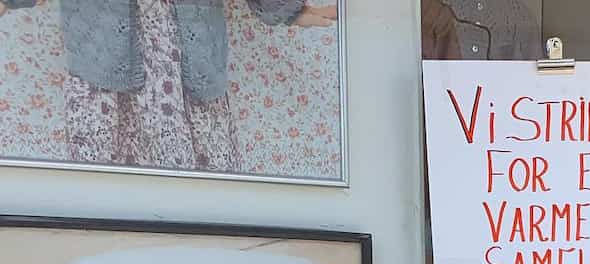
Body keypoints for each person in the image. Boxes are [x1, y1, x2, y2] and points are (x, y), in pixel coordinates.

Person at [0, 0, 337, 173]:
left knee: (199, 176)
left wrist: (287, 10)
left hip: (188, 63)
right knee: (102, 174)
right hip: (102, 63)